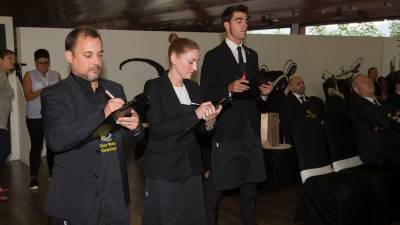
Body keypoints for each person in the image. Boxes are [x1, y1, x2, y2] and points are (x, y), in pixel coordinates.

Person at [41, 26, 143, 225]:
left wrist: (136, 127)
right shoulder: (55, 94)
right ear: (69, 56)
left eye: (99, 54)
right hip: (76, 201)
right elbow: (56, 140)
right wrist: (102, 115)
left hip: (115, 198)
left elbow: (131, 138)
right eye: (88, 55)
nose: (96, 62)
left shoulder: (115, 89)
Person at [200, 4, 272, 225]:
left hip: (250, 132)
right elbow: (206, 93)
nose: (245, 24)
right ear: (226, 25)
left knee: (250, 192)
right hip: (227, 132)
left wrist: (264, 94)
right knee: (214, 192)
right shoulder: (213, 56)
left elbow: (253, 96)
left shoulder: (252, 55)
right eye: (239, 20)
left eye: (246, 20)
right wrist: (228, 89)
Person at [142, 33, 221, 225]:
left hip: (191, 170)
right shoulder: (154, 87)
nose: (195, 68)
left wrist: (210, 120)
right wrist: (195, 114)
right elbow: (159, 129)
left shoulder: (194, 88)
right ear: (174, 58)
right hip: (165, 171)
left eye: (197, 63)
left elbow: (201, 132)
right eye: (191, 62)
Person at [22, 49, 61, 190]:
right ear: (35, 62)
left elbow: (60, 95)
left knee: (52, 146)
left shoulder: (56, 75)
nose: (43, 66)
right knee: (37, 147)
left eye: (46, 63)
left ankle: (53, 174)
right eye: (40, 63)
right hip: (35, 117)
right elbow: (27, 96)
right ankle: (33, 178)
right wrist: (44, 90)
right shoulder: (29, 75)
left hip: (51, 117)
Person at [351, 74, 400, 168]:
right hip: (377, 152)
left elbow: (396, 114)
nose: (369, 82)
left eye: (369, 80)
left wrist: (392, 118)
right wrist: (392, 118)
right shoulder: (359, 104)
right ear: (357, 89)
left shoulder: (381, 102)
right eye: (364, 82)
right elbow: (385, 122)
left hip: (391, 145)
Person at [280, 75, 325, 144]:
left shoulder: (311, 100)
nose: (302, 85)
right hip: (298, 141)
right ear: (291, 88)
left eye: (303, 83)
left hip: (315, 138)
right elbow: (293, 122)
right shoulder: (286, 103)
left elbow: (316, 117)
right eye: (298, 84)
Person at [0, 49, 15, 202]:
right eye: (9, 58)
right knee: (3, 152)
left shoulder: (3, 76)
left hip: (1, 122)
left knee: (3, 152)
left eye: (14, 58)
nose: (13, 61)